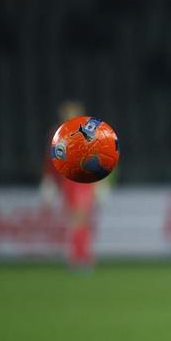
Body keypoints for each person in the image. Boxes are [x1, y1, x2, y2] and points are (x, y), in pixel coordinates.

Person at [41, 100, 106, 271]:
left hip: (84, 180)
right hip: (69, 180)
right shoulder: (58, 134)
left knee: (81, 220)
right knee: (76, 221)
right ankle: (79, 257)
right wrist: (49, 181)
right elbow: (51, 160)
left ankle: (81, 256)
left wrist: (100, 181)